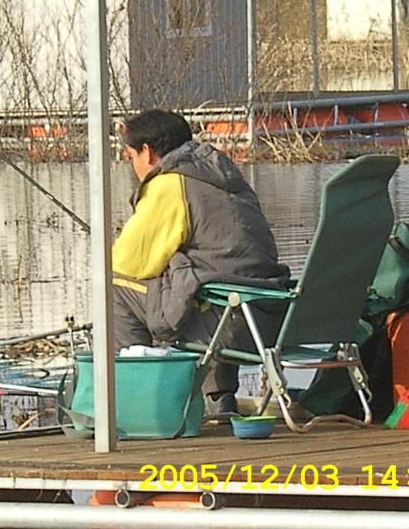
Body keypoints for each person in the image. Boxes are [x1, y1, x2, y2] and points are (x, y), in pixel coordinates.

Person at [111, 109, 290, 415]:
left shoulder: (170, 184)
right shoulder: (226, 177)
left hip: (229, 325)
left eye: (131, 156)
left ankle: (137, 401)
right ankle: (220, 399)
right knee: (213, 281)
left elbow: (129, 264)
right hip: (269, 318)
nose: (132, 165)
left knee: (112, 286)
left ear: (148, 152)